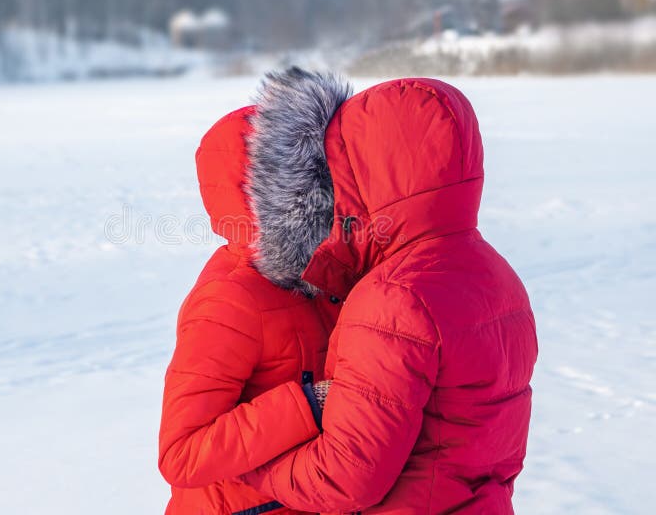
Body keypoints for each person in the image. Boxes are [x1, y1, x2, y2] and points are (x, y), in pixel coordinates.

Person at [239, 68, 538, 514]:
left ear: (372, 171)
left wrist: (251, 468)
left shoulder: (393, 298)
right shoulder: (497, 275)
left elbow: (344, 479)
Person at [157, 99, 348, 515]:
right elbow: (182, 453)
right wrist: (310, 404)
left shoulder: (329, 278)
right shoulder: (230, 301)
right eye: (308, 184)